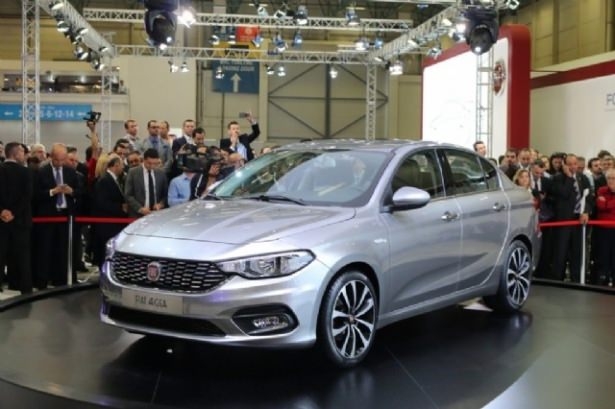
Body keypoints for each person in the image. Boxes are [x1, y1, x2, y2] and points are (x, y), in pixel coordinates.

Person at [33, 143, 80, 288]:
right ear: (51, 157)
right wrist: (53, 191)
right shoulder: (41, 172)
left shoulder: (70, 172)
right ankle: (42, 281)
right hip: (47, 217)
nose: (60, 163)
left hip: (66, 216)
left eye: (63, 160)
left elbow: (81, 191)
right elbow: (35, 195)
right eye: (57, 160)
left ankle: (62, 280)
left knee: (64, 250)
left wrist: (71, 192)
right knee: (45, 249)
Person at [0, 142, 33, 294]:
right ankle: (26, 287)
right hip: (20, 220)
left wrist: (3, 211)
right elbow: (27, 196)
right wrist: (13, 212)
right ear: (15, 153)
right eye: (22, 152)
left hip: (1, 221)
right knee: (23, 257)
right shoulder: (25, 172)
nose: (24, 155)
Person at [92, 154, 128, 269]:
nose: (123, 167)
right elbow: (101, 202)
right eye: (121, 165)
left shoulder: (114, 180)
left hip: (113, 223)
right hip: (107, 224)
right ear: (116, 165)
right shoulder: (104, 180)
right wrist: (120, 207)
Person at [124, 148, 168, 218]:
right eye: (149, 163)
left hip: (156, 214)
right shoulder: (133, 172)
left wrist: (161, 204)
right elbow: (128, 195)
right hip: (137, 214)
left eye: (155, 164)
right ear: (143, 160)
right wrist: (140, 209)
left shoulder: (161, 173)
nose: (152, 166)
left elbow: (166, 195)